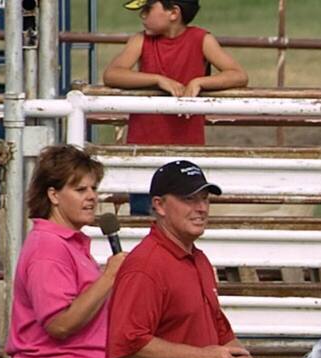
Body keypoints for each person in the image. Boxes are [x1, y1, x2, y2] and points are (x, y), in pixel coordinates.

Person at [100, 161, 284, 358]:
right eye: (189, 199)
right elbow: (128, 344)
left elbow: (221, 335)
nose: (201, 208)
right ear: (158, 205)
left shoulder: (197, 260)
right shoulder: (147, 266)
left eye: (205, 199)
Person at [11, 145, 122, 358]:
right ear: (53, 195)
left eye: (93, 189)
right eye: (80, 189)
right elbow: (59, 323)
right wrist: (109, 277)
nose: (91, 197)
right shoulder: (49, 248)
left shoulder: (68, 245)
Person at [102, 0, 246, 215]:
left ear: (173, 12)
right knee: (144, 212)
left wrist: (199, 82)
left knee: (185, 213)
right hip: (144, 148)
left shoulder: (201, 39)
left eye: (148, 9)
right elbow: (112, 74)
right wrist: (157, 79)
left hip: (186, 147)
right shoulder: (140, 40)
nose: (142, 16)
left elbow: (238, 75)